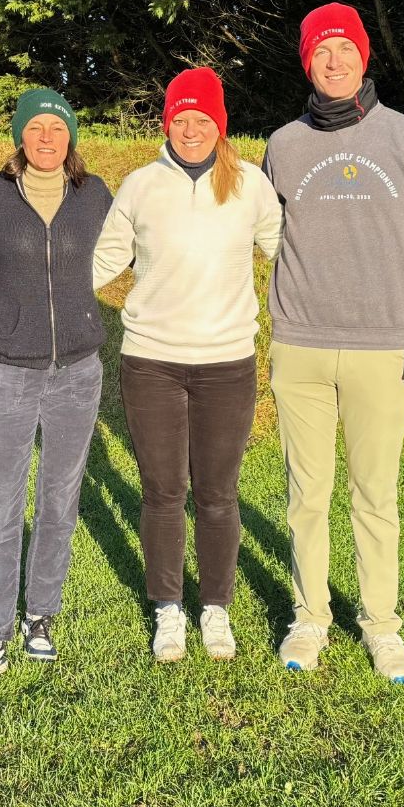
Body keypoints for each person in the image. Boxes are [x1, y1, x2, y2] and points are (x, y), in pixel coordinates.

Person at [261, 3, 404, 684]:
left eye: (344, 48)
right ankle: (309, 617)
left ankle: (381, 625)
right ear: (306, 63)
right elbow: (259, 235)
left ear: (364, 56)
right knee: (306, 495)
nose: (334, 61)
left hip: (383, 348)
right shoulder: (283, 145)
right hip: (300, 346)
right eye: (321, 51)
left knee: (374, 496)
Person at [92, 67, 283, 663]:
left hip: (227, 362)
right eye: (182, 118)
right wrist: (42, 293)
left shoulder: (251, 186)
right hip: (152, 362)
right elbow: (103, 261)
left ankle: (216, 607)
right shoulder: (140, 185)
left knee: (218, 493)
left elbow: (287, 255)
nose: (192, 129)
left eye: (203, 119)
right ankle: (169, 607)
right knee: (162, 491)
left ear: (220, 125)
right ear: (167, 123)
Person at [0, 88, 112, 689]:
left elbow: (139, 249)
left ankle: (40, 613)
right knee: (0, 506)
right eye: (36, 127)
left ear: (71, 139)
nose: (46, 138)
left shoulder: (94, 195)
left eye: (57, 129)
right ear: (20, 135)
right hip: (9, 372)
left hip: (79, 373)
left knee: (60, 499)